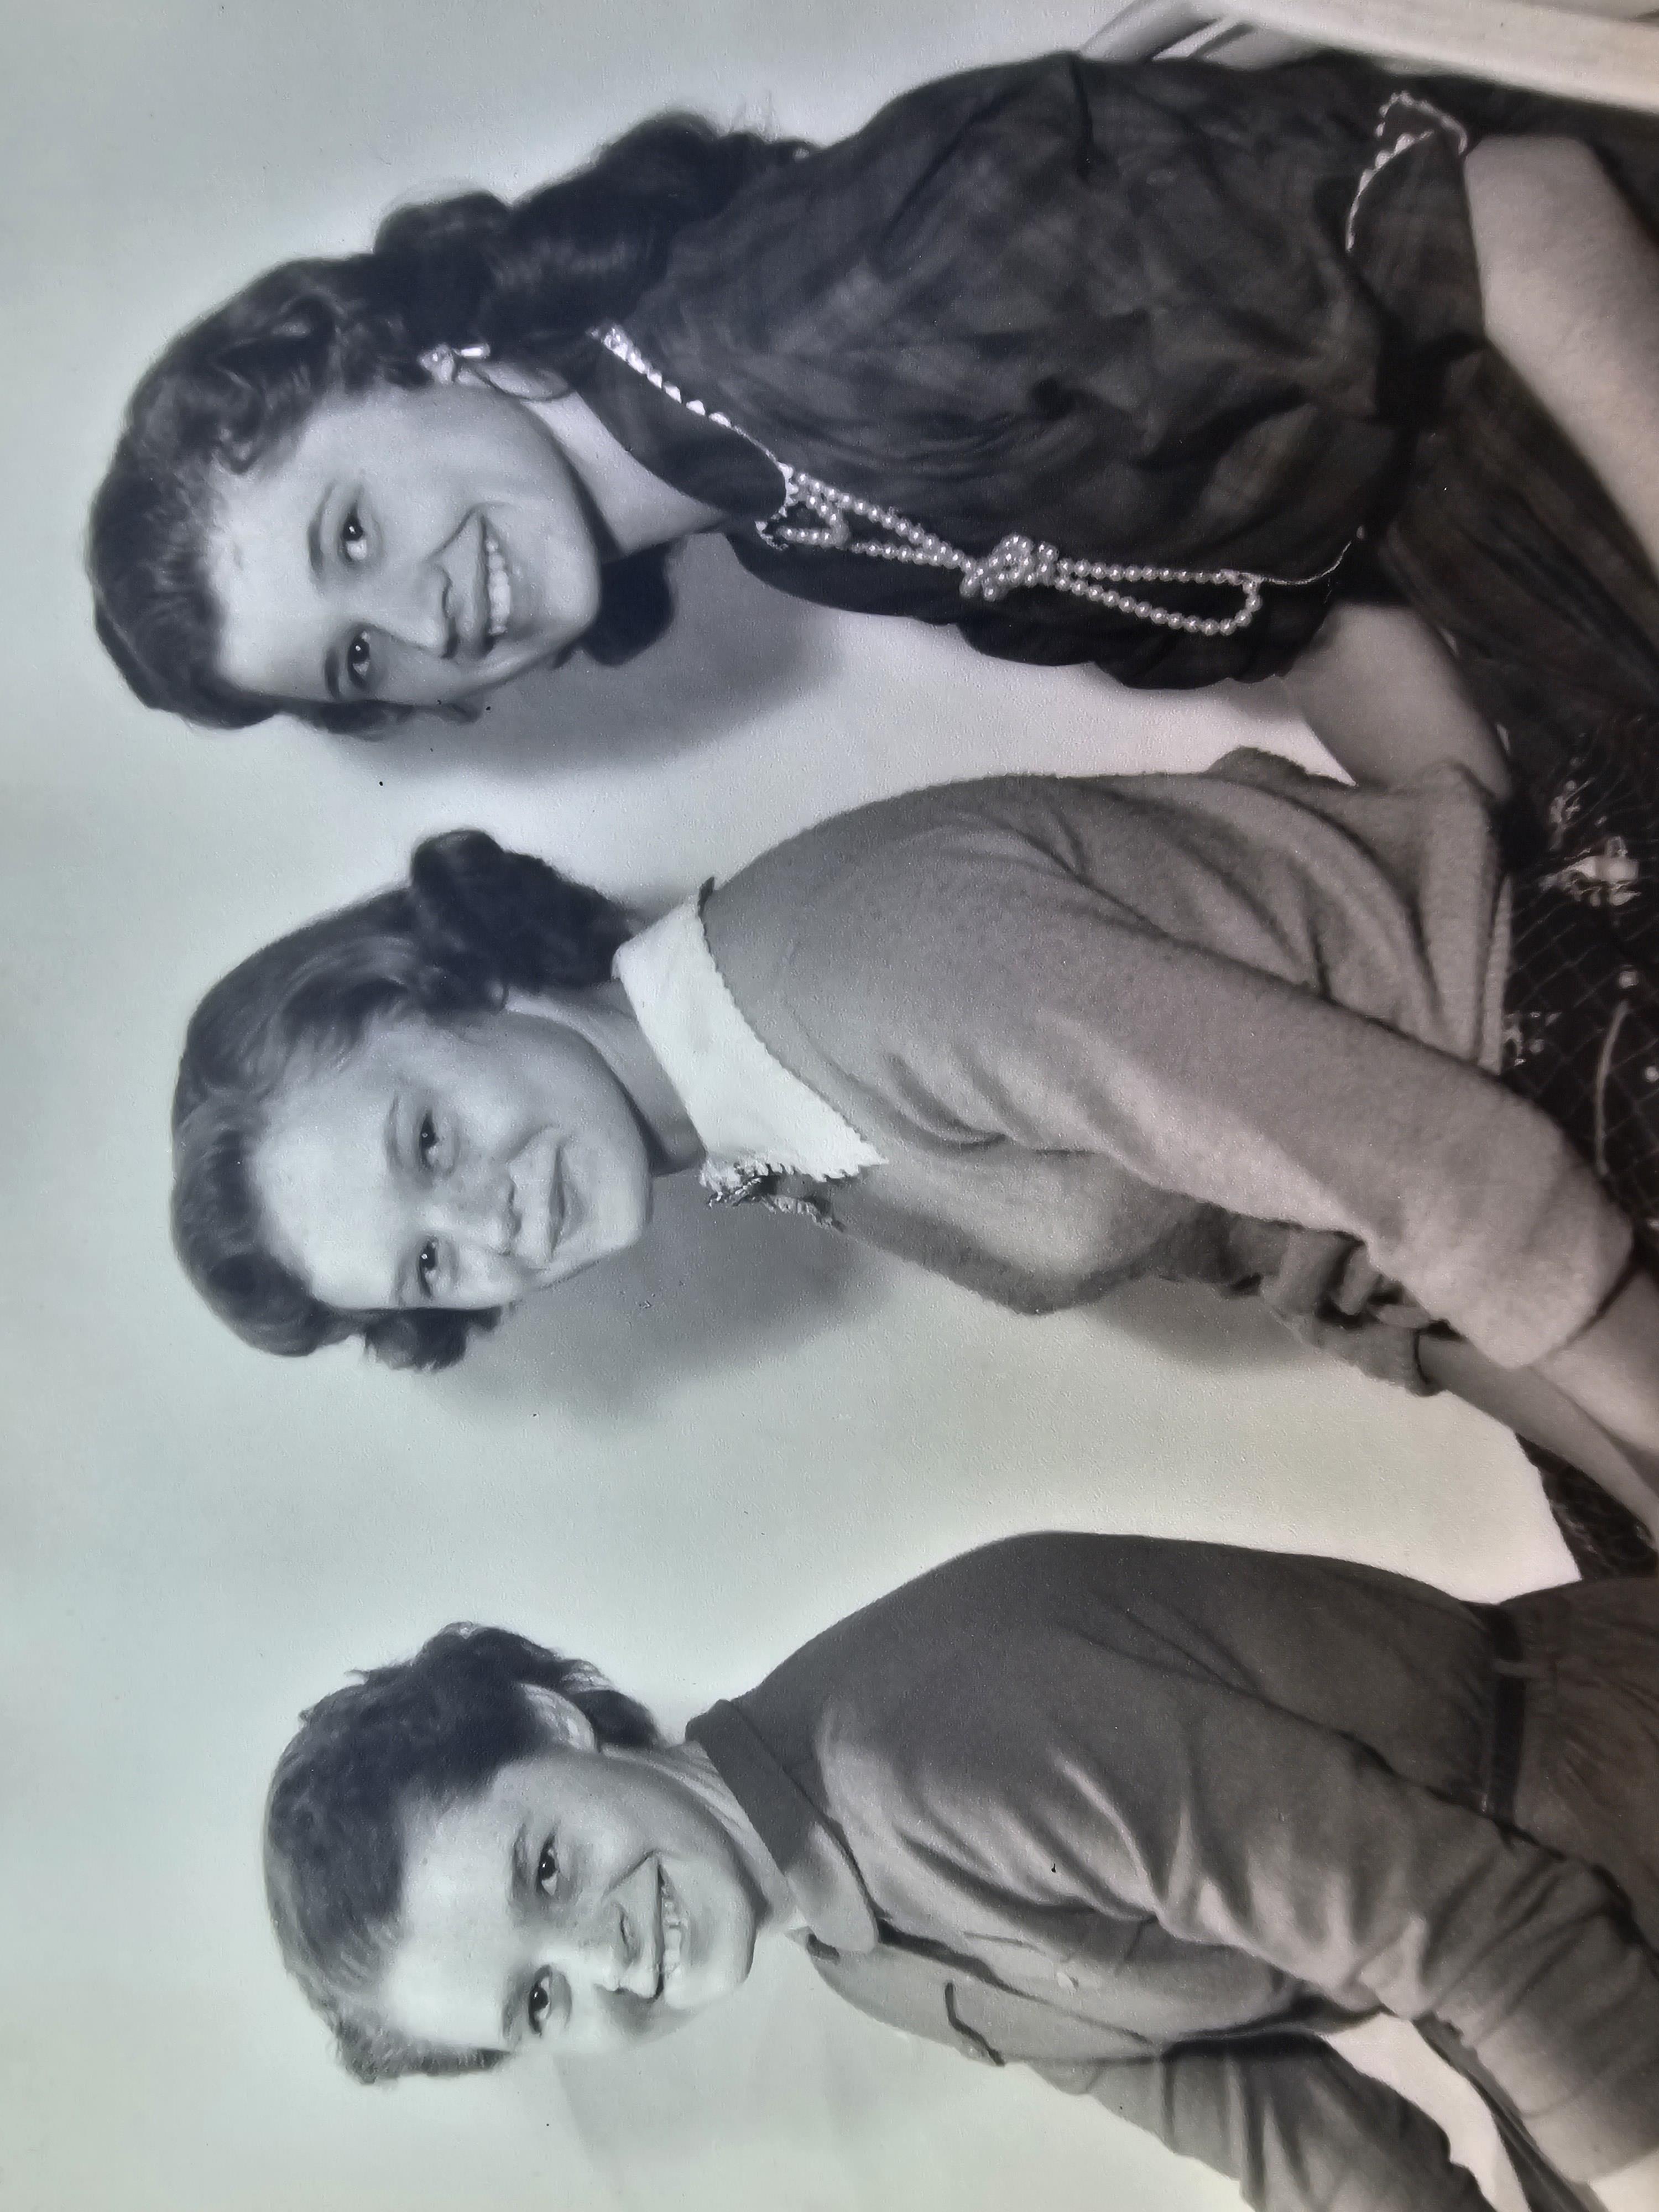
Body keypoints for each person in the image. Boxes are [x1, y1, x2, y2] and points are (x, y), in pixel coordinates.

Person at [169, 721, 1659, 1572]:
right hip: (1511, 1214)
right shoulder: (758, 1119)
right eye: (428, 1266)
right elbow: (1291, 1253)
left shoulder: (841, 975)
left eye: (426, 1139)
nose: (486, 1228)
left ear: (466, 985)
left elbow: (1434, 1167)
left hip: (1575, 1029)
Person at [85, 48, 1659, 796]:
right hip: (1507, 549)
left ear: (412, 357)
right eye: (356, 662)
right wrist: (1499, 896)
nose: (417, 623)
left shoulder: (830, 304)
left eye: (346, 533)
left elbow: (1522, 217)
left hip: (1579, 350)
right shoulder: (785, 528)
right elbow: (1307, 617)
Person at [263, 1531, 1659, 2212]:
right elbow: (1298, 2138)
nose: (602, 1957)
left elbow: (1470, 1919)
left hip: (1598, 1793)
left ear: (558, 1726)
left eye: (546, 1871)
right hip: (1538, 1960)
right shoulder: (860, 1954)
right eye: (540, 2002)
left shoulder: (910, 1751)